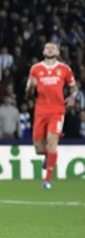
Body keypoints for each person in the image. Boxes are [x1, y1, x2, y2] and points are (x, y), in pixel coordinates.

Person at [25, 43, 78, 189]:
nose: (50, 49)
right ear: (43, 51)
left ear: (58, 51)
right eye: (47, 47)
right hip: (40, 111)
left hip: (57, 111)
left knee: (52, 140)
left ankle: (47, 180)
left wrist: (73, 97)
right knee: (39, 149)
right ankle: (48, 156)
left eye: (53, 47)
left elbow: (74, 87)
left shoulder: (64, 69)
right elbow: (27, 93)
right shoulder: (36, 69)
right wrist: (31, 88)